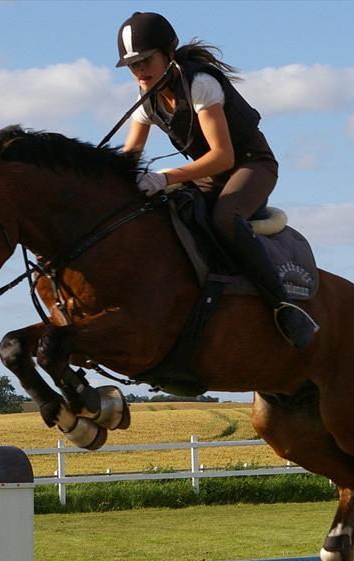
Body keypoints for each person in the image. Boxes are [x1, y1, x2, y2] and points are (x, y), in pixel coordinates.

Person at [115, 11, 319, 350]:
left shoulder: (199, 84)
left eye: (145, 61)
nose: (140, 71)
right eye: (133, 66)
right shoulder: (147, 100)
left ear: (168, 53)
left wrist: (163, 178)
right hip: (208, 175)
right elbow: (130, 155)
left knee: (224, 219)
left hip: (251, 166)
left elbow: (223, 156)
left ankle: (284, 306)